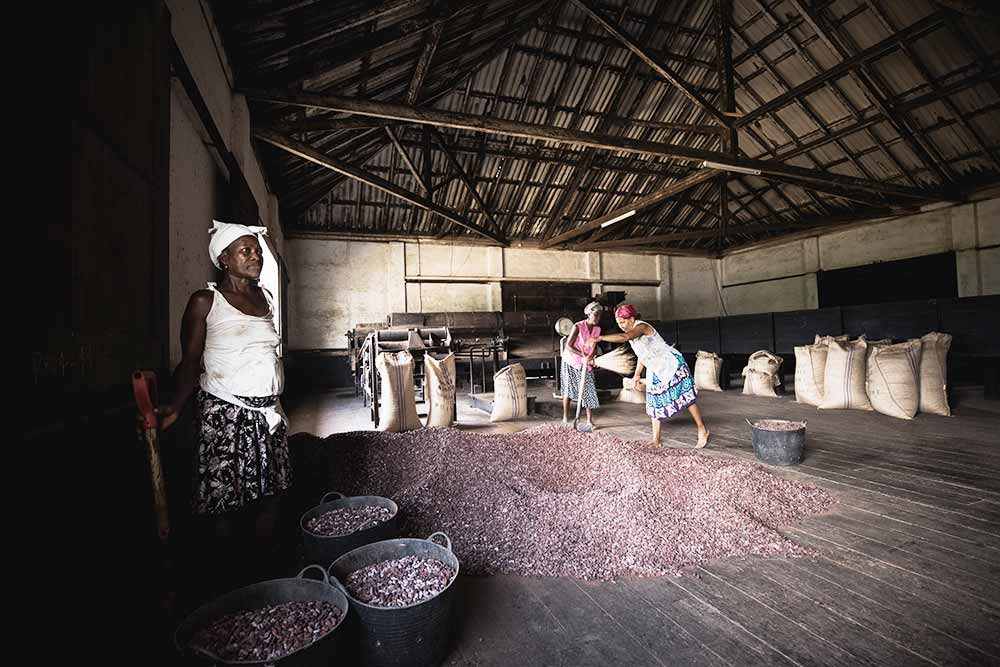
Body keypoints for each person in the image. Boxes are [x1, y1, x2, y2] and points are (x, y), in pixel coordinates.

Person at [157, 220, 291, 589]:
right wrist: (175, 407)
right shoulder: (205, 301)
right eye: (245, 250)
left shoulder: (266, 298)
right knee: (225, 499)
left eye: (257, 250)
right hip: (226, 413)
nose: (256, 256)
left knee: (272, 493)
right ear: (224, 259)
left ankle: (262, 576)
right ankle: (227, 582)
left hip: (268, 414)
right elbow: (190, 361)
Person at [595, 304, 709, 448]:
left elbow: (624, 337)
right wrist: (636, 375)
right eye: (619, 323)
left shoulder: (641, 327)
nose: (622, 326)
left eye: (623, 322)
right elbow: (642, 356)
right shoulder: (631, 333)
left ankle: (702, 429)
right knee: (654, 403)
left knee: (685, 397)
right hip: (655, 368)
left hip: (671, 363)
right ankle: (656, 440)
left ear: (631, 318)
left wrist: (599, 338)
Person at [560, 301, 603, 428]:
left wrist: (592, 357)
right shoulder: (578, 326)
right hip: (571, 361)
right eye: (596, 315)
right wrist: (583, 355)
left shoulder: (597, 329)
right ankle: (565, 418)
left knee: (588, 390)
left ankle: (589, 421)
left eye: (600, 315)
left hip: (586, 362)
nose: (598, 318)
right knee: (568, 389)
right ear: (589, 314)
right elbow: (568, 346)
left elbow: (595, 346)